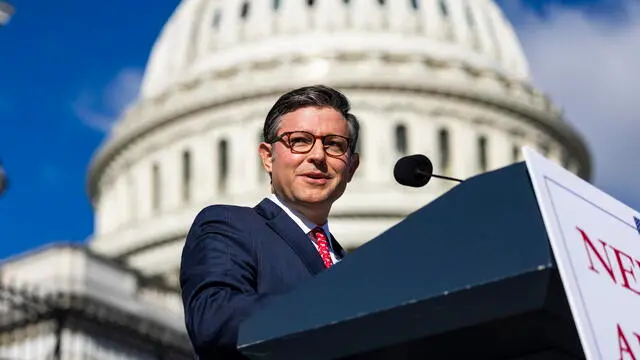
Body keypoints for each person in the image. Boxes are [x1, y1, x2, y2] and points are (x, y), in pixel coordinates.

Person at [179, 85, 361, 358]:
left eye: (334, 144)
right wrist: (332, 308)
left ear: (352, 167)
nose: (318, 156)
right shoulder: (230, 225)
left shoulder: (354, 271)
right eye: (299, 140)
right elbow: (214, 320)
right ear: (267, 157)